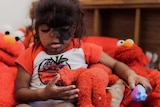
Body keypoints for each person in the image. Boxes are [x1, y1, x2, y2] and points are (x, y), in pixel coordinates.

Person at [14, 0, 152, 107]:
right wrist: (43, 94)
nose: (54, 36)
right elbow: (19, 92)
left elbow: (115, 64)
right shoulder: (31, 53)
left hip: (64, 104)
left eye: (64, 30)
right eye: (45, 30)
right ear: (36, 29)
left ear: (74, 29)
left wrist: (131, 74)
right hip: (35, 103)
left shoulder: (83, 48)